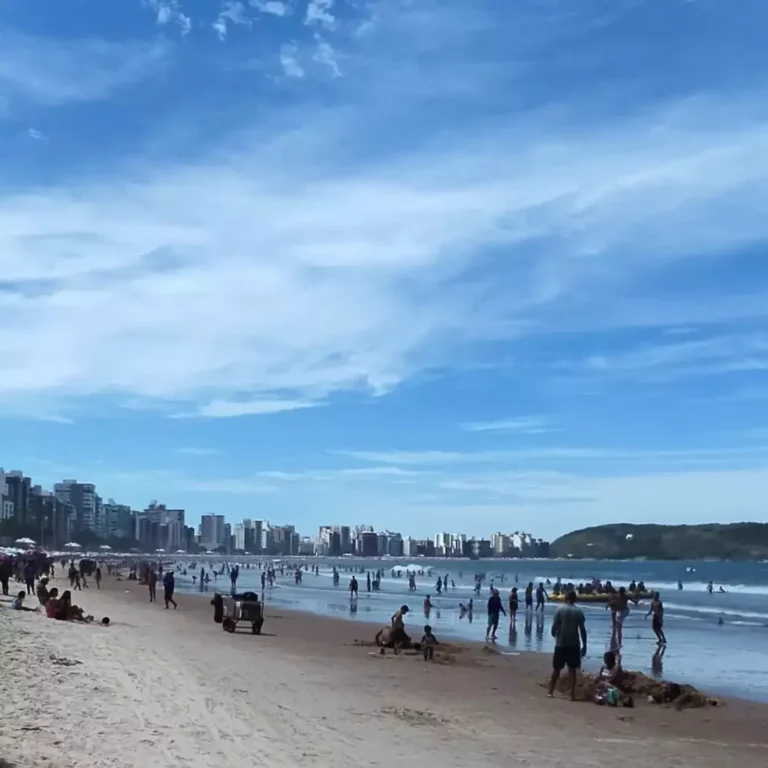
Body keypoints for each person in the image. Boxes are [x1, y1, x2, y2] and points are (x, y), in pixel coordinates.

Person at [547, 591, 587, 701]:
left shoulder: (560, 610)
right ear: (575, 599)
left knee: (556, 669)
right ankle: (572, 695)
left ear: (565, 598)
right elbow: (582, 630)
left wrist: (554, 633)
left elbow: (554, 626)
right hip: (574, 643)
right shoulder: (578, 611)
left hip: (561, 643)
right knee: (572, 670)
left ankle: (550, 692)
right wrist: (585, 645)